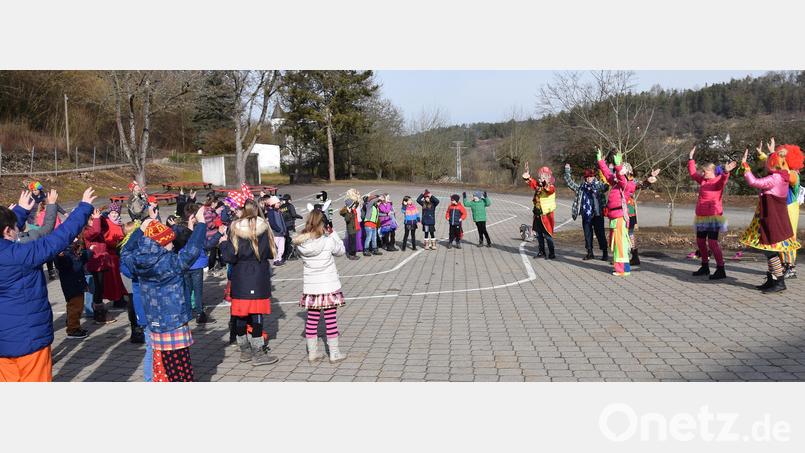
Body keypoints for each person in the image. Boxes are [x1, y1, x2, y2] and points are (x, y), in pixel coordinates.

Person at [0, 187, 96, 382]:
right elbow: (59, 238)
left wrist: (19, 212)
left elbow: (6, 233)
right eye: (15, 227)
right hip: (28, 339)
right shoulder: (21, 255)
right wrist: (84, 208)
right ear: (8, 230)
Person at [120, 207, 207, 382]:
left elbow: (125, 252)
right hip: (174, 321)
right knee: (179, 365)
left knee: (162, 362)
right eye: (169, 242)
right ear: (161, 244)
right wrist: (201, 224)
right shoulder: (171, 262)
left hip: (153, 321)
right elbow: (192, 250)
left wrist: (140, 230)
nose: (172, 245)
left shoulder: (137, 261)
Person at [219, 199, 279, 365]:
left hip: (240, 276)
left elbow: (230, 256)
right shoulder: (264, 226)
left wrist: (223, 244)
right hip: (258, 274)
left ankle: (244, 350)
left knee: (240, 315)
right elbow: (272, 252)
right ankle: (258, 352)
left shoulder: (235, 227)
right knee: (257, 315)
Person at [739, 142, 803, 293]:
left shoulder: (780, 177)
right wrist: (771, 154)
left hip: (775, 217)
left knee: (771, 250)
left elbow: (754, 181)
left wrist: (746, 167)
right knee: (767, 248)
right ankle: (772, 279)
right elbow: (777, 165)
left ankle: (779, 280)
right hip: (772, 216)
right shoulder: (781, 176)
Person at [292, 210, 348, 363]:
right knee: (330, 321)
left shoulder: (302, 243)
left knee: (311, 320)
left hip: (312, 288)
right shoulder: (327, 241)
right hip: (329, 286)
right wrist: (333, 233)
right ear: (322, 223)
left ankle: (313, 353)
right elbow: (341, 251)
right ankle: (334, 353)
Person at [688, 146, 736, 280]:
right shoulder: (703, 181)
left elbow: (724, 180)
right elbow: (693, 173)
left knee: (713, 243)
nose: (703, 173)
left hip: (714, 216)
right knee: (700, 242)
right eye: (703, 171)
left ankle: (721, 269)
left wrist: (726, 172)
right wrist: (691, 158)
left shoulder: (718, 181)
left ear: (714, 172)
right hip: (701, 217)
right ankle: (705, 266)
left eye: (706, 171)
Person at [84, 203, 129, 325]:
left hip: (102, 262)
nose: (95, 221)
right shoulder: (87, 231)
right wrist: (96, 219)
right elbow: (96, 230)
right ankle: (98, 314)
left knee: (100, 288)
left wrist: (101, 216)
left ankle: (99, 311)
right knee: (98, 289)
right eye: (92, 220)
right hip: (95, 263)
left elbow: (104, 227)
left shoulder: (96, 227)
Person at [119, 221, 153, 380]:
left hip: (147, 309)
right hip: (148, 309)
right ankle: (150, 378)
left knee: (152, 347)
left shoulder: (130, 254)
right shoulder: (135, 257)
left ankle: (154, 377)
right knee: (152, 347)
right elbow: (126, 264)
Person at [597, 149, 635, 276]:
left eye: (622, 171)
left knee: (620, 243)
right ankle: (623, 268)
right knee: (617, 243)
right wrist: (600, 162)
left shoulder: (627, 184)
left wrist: (618, 166)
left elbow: (622, 179)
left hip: (619, 217)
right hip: (614, 216)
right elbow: (608, 174)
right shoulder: (616, 183)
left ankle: (622, 269)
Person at [564, 164, 609, 260]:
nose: (589, 179)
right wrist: (567, 171)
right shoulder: (582, 187)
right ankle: (590, 253)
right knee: (587, 234)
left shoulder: (599, 185)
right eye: (587, 177)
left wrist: (604, 172)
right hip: (586, 214)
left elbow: (606, 187)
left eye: (590, 177)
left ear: (594, 176)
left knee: (600, 234)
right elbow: (570, 183)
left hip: (597, 214)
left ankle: (605, 252)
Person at [54, 237, 93, 340]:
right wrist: (60, 257)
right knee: (75, 307)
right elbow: (73, 265)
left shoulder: (73, 251)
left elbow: (83, 259)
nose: (76, 240)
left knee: (77, 306)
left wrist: (89, 251)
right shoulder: (65, 253)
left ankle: (74, 325)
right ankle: (73, 329)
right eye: (73, 239)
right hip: (72, 285)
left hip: (78, 283)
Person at [523, 163, 557, 259]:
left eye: (543, 177)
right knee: (539, 235)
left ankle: (552, 253)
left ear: (548, 177)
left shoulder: (551, 187)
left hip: (546, 215)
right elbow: (532, 183)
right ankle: (541, 252)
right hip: (537, 214)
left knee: (548, 235)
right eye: (540, 177)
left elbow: (548, 190)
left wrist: (544, 183)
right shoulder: (539, 186)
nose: (541, 179)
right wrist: (527, 175)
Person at [279, 194, 303, 260]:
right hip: (290, 225)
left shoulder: (281, 207)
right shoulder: (290, 206)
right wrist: (300, 217)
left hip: (283, 226)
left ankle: (285, 255)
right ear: (289, 200)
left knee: (286, 240)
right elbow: (293, 214)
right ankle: (291, 255)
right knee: (292, 240)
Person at [266, 195, 287, 266]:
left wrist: (284, 229)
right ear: (273, 204)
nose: (279, 204)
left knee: (281, 247)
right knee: (276, 247)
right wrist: (279, 229)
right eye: (277, 203)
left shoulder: (278, 211)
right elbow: (272, 223)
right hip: (275, 233)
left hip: (281, 233)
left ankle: (279, 259)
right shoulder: (271, 212)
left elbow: (282, 221)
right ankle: (276, 260)